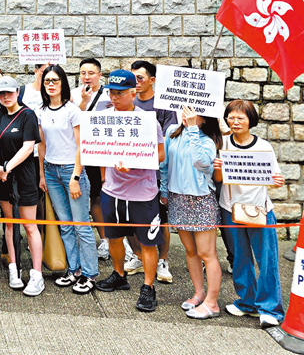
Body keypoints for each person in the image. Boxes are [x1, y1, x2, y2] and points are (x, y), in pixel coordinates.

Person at [94, 70, 166, 313]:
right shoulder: (103, 117)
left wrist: (135, 163)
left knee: (147, 241)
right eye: (111, 93)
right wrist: (105, 179)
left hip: (142, 192)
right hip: (112, 191)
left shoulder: (147, 120)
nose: (114, 97)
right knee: (113, 236)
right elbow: (95, 148)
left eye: (119, 93)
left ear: (133, 93)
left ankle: (148, 286)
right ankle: (119, 273)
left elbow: (161, 154)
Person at [216, 100, 286, 328]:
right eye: (231, 117)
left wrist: (278, 182)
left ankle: (270, 308)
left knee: (266, 260)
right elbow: (218, 179)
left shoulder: (264, 147)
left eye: (241, 118)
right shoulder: (222, 143)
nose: (235, 122)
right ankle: (247, 302)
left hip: (259, 210)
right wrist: (218, 169)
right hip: (230, 209)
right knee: (239, 258)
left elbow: (275, 180)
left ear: (251, 121)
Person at [35, 65, 98, 294]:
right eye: (47, 81)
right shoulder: (41, 111)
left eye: (55, 80)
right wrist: (42, 174)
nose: (50, 84)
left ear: (63, 83)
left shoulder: (73, 110)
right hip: (51, 171)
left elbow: (82, 146)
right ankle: (74, 270)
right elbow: (41, 145)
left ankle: (90, 273)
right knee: (65, 225)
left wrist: (75, 176)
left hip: (72, 170)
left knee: (82, 225)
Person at [0, 76, 44, 297]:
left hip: (23, 175)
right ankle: (13, 268)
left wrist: (8, 166)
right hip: (3, 177)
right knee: (9, 224)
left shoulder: (27, 114)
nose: (6, 97)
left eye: (9, 92)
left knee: (29, 225)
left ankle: (37, 274)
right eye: (1, 93)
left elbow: (28, 147)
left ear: (18, 92)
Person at [163, 105, 223, 319]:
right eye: (183, 109)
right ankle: (199, 293)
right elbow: (164, 164)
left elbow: (202, 162)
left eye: (193, 111)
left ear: (205, 118)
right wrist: (163, 190)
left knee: (207, 253)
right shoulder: (171, 133)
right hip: (177, 197)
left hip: (201, 200)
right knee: (190, 251)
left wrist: (192, 130)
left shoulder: (208, 140)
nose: (186, 113)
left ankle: (212, 303)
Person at [126, 60, 178, 283]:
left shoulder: (164, 106)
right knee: (129, 222)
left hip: (156, 175)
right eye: (133, 78)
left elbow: (167, 141)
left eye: (140, 78)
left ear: (152, 80)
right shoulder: (127, 103)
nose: (135, 83)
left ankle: (162, 260)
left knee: (160, 221)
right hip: (128, 175)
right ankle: (138, 257)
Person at [70, 57, 111, 259]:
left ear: (99, 75)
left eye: (91, 73)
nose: (87, 77)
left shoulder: (110, 94)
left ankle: (112, 240)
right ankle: (95, 239)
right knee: (86, 196)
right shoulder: (72, 95)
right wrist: (84, 102)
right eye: (83, 73)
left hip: (104, 154)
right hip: (81, 152)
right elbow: (74, 120)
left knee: (103, 196)